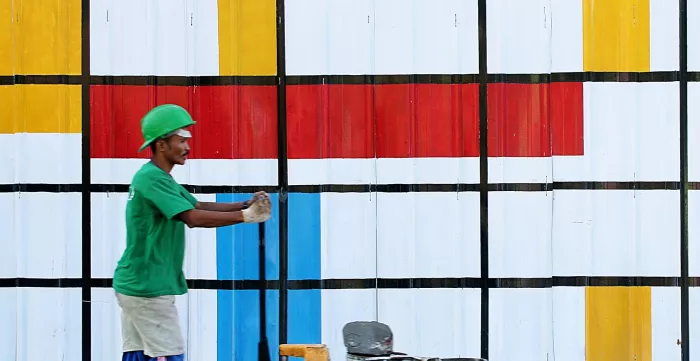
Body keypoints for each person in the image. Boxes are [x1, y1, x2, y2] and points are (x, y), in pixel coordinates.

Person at [112, 104, 272, 361]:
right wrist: (246, 217)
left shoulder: (159, 178)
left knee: (138, 355)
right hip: (148, 288)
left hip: (137, 285)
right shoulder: (151, 179)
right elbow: (192, 218)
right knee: (169, 355)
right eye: (181, 140)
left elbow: (197, 205)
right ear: (161, 145)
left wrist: (244, 204)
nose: (187, 147)